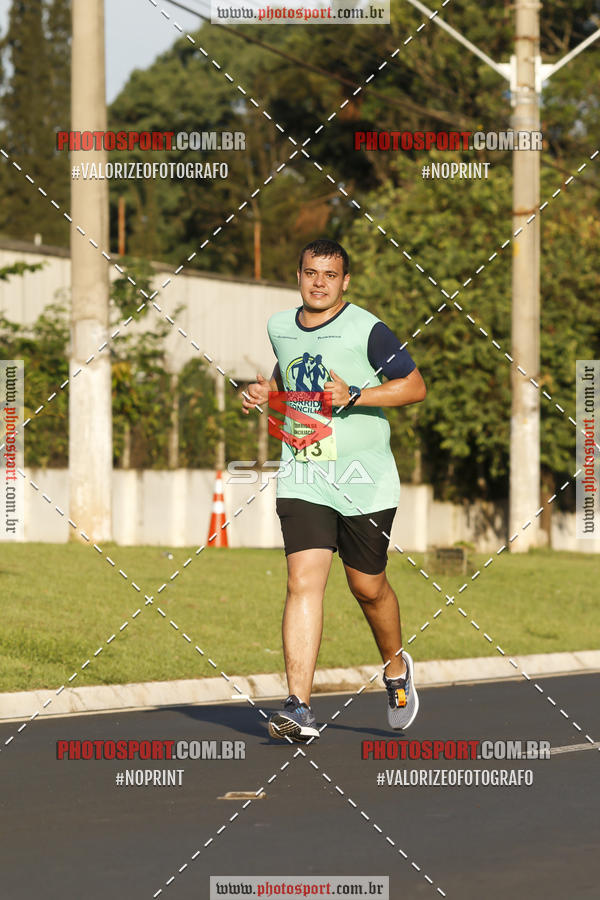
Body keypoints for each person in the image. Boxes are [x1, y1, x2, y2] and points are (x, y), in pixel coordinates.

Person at [242, 238, 426, 742]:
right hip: (305, 472)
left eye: (329, 275)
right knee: (303, 580)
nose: (319, 282)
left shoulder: (367, 329)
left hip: (364, 479)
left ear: (345, 281)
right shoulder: (279, 326)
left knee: (367, 586)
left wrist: (359, 393)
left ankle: (394, 668)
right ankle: (298, 707)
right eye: (310, 273)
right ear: (298, 275)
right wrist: (267, 394)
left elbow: (414, 386)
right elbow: (291, 380)